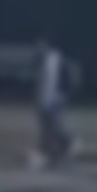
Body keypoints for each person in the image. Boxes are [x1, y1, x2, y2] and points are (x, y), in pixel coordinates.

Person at [32, 38, 76, 169]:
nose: (38, 50)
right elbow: (41, 82)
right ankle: (61, 148)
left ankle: (51, 153)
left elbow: (69, 79)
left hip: (55, 100)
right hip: (44, 100)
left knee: (51, 129)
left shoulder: (58, 60)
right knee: (49, 129)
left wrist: (63, 96)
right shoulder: (41, 61)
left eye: (40, 47)